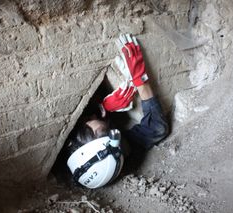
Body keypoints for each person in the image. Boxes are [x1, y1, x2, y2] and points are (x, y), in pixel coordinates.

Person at [66, 34, 169, 189]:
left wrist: (103, 107)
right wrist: (140, 80)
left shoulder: (83, 155)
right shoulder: (117, 152)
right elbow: (157, 128)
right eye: (106, 130)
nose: (89, 119)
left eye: (85, 126)